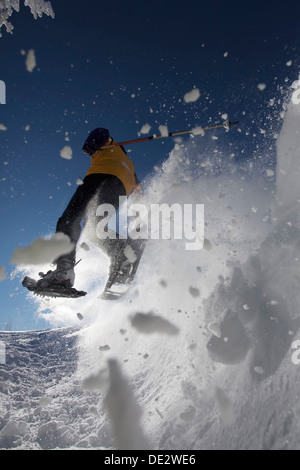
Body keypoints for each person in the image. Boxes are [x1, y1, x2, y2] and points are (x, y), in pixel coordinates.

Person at [36, 127, 142, 290]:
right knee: (93, 227)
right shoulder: (129, 165)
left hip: (100, 176)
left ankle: (64, 272)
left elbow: (99, 133)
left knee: (69, 219)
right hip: (121, 187)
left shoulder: (109, 144)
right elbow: (137, 187)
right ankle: (124, 252)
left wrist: (93, 142)